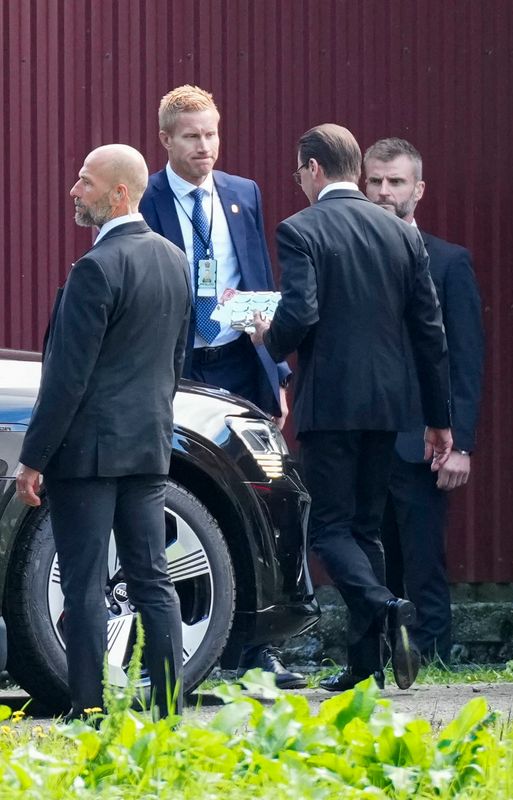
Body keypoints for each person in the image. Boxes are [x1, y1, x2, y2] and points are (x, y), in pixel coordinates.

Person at [250, 124, 453, 692]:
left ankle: (385, 605)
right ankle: (366, 666)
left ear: (314, 169)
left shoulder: (300, 229)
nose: (298, 183)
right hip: (390, 406)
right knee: (367, 532)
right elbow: (430, 332)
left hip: (331, 402)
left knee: (331, 532)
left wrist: (270, 334)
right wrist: (439, 421)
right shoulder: (401, 234)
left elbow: (302, 314)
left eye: (298, 172)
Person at [14, 144, 190, 719]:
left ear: (119, 193)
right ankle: (168, 707)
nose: (74, 190)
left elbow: (67, 378)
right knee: (152, 579)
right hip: (148, 447)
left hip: (87, 455)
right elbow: (175, 362)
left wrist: (33, 458)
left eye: (85, 182)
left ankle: (88, 708)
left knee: (85, 584)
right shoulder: (172, 259)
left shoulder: (95, 268)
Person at [139, 84, 304, 689]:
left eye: (211, 134)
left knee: (258, 497)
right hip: (180, 369)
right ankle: (189, 639)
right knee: (188, 494)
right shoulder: (148, 198)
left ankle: (257, 651)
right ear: (166, 141)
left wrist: (276, 371)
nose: (205, 147)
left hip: (238, 362)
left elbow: (253, 275)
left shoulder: (241, 194)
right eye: (191, 136)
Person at [363, 138, 484, 665]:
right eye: (376, 181)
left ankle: (433, 654)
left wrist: (463, 442)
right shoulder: (348, 254)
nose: (385, 191)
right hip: (364, 436)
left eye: (396, 181)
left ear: (419, 189)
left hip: (425, 440)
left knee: (423, 556)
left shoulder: (450, 262)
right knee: (370, 555)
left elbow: (466, 359)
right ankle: (379, 654)